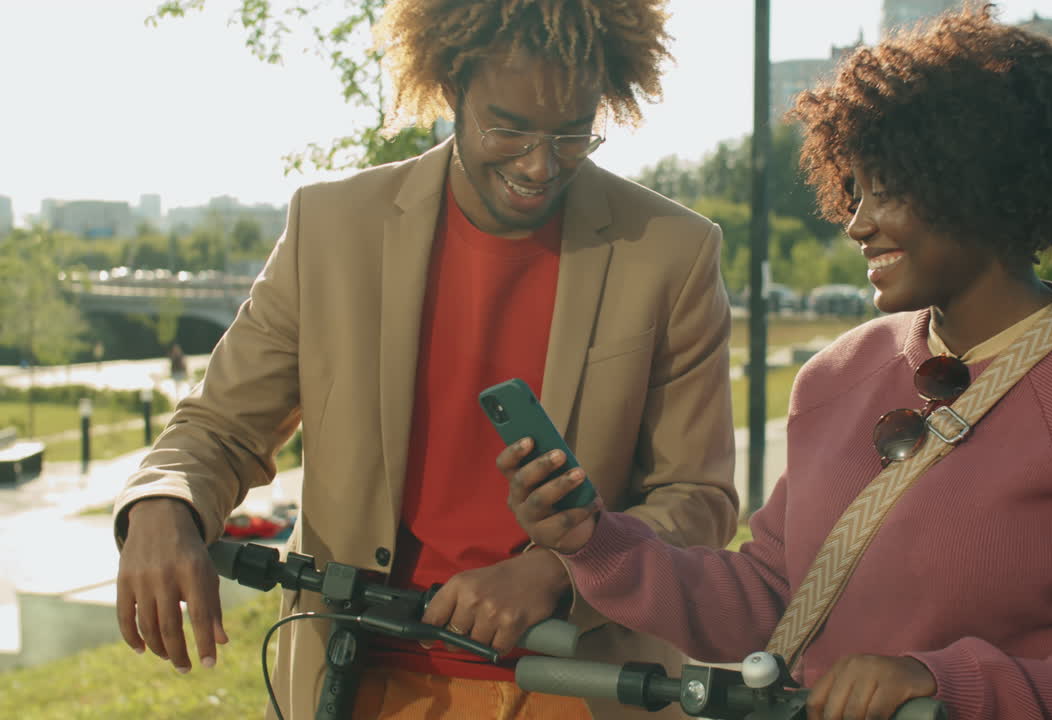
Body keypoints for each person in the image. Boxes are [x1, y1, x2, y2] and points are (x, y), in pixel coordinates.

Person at [506, 7, 1052, 720]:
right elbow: (771, 598)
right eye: (856, 187)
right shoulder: (834, 377)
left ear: (986, 181)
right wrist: (598, 543)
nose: (857, 221)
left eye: (889, 189)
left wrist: (940, 684)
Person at [112, 1, 738, 718]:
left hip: (581, 684)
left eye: (573, 133)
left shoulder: (672, 252)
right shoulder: (332, 227)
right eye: (508, 127)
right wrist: (163, 502)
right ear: (448, 86)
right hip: (352, 680)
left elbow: (699, 500)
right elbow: (222, 426)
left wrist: (557, 573)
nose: (541, 165)